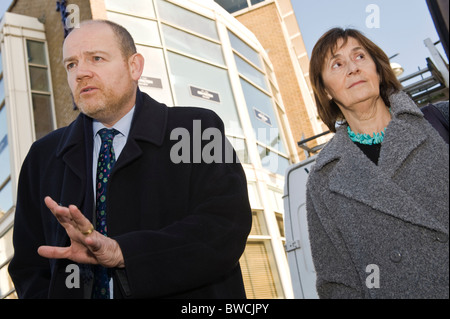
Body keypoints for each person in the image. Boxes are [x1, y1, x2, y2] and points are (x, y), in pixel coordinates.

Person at [8, 19, 252, 299]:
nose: (80, 73)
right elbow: (29, 267)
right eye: (71, 64)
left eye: (96, 58)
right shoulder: (42, 156)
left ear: (134, 66)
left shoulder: (196, 129)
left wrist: (123, 253)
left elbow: (224, 228)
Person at [306, 27, 449, 298]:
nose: (352, 68)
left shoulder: (441, 120)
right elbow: (337, 284)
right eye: (337, 64)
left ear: (378, 70)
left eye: (360, 57)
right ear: (325, 91)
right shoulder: (324, 178)